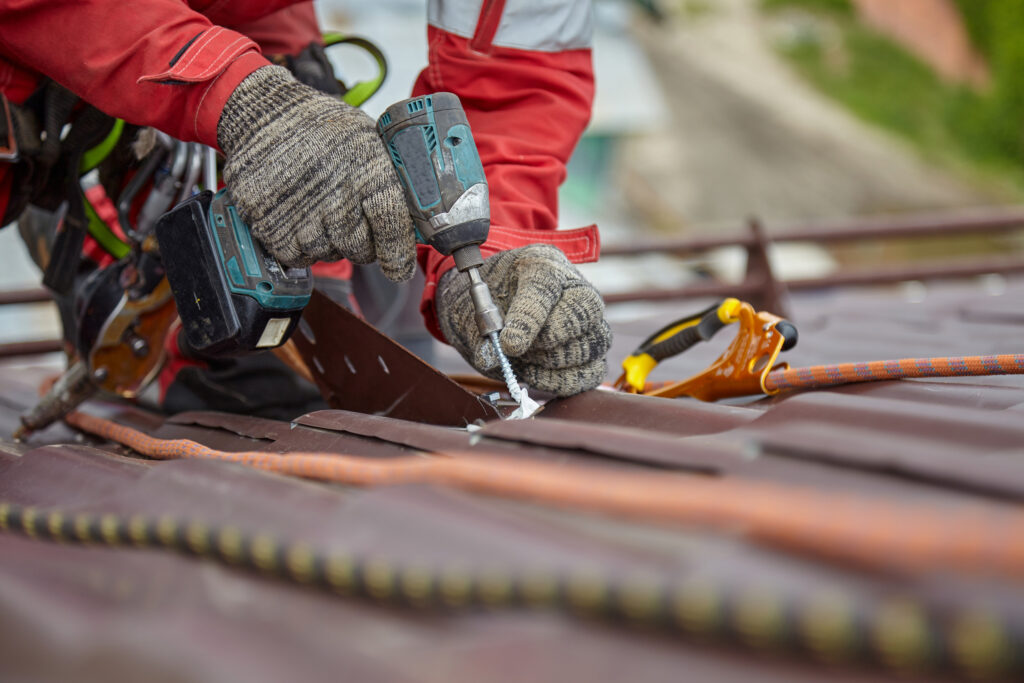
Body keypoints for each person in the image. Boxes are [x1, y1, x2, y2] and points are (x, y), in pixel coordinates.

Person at [0, 0, 612, 415]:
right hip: (70, 36)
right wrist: (232, 94)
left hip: (247, 17)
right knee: (217, 353)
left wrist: (496, 247)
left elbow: (514, 75)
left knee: (301, 346)